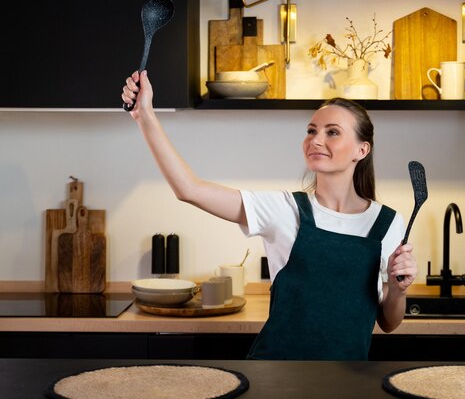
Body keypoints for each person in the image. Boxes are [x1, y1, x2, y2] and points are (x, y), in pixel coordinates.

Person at [122, 70, 417, 360]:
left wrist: (399, 290)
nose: (315, 140)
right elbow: (190, 189)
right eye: (311, 130)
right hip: (276, 379)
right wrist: (145, 116)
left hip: (346, 384)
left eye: (332, 132)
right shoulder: (285, 209)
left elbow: (388, 323)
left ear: (361, 150)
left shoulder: (387, 224)